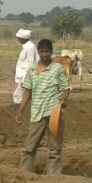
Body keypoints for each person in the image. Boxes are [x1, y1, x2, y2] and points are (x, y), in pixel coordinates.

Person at [16, 38, 70, 175]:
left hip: (54, 113)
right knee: (30, 147)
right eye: (42, 52)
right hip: (36, 113)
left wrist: (63, 100)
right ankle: (23, 174)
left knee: (54, 148)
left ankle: (53, 176)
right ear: (38, 52)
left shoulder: (57, 68)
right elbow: (27, 92)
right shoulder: (32, 70)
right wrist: (21, 111)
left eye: (47, 52)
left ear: (51, 52)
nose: (44, 54)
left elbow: (66, 88)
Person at [12, 29, 37, 105]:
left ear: (22, 38)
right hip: (26, 75)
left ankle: (18, 110)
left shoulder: (29, 47)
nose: (18, 39)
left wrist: (25, 79)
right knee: (28, 95)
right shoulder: (27, 46)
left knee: (17, 96)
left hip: (26, 76)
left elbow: (30, 63)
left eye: (18, 37)